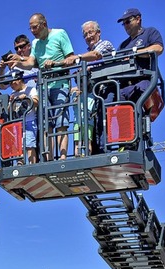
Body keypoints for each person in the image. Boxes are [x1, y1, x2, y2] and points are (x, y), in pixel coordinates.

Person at [11, 13, 74, 160]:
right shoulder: (35, 43)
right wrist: (17, 62)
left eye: (35, 27)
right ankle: (49, 158)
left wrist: (55, 63)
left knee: (61, 122)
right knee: (46, 123)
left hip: (61, 82)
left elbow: (72, 58)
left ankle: (63, 157)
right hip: (43, 86)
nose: (32, 31)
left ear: (43, 24)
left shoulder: (60, 34)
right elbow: (30, 63)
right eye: (30, 28)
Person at [68, 21, 116, 155]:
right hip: (91, 93)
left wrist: (77, 58)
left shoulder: (105, 44)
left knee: (103, 120)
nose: (88, 36)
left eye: (90, 33)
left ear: (98, 33)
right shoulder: (86, 54)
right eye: (85, 35)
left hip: (106, 90)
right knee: (91, 123)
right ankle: (93, 152)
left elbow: (96, 55)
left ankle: (104, 151)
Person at [116, 8, 164, 102]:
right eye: (124, 24)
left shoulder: (150, 32)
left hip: (144, 80)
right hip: (125, 84)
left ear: (138, 19)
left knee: (138, 92)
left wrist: (135, 53)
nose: (126, 26)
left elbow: (158, 48)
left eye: (128, 22)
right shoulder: (123, 45)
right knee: (112, 98)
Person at [9, 73, 39, 163]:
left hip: (29, 121)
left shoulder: (31, 89)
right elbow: (10, 110)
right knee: (17, 145)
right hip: (18, 122)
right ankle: (20, 162)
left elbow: (36, 101)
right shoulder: (13, 94)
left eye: (12, 83)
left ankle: (31, 164)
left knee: (30, 145)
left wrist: (26, 98)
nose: (11, 85)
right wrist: (11, 102)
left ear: (18, 80)